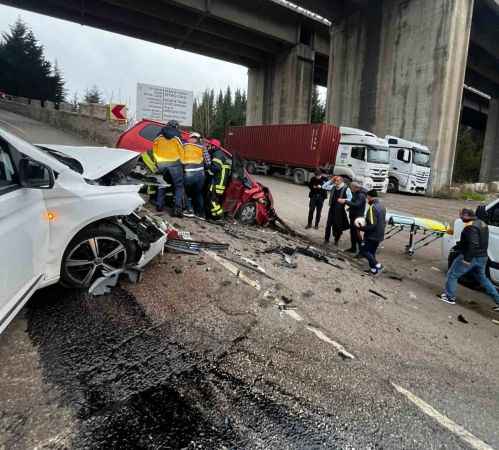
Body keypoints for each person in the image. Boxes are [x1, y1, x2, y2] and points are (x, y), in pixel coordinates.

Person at [440, 208, 499, 311]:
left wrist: (467, 259)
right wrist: (459, 246)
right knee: (483, 279)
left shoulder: (470, 227)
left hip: (471, 257)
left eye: (461, 215)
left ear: (467, 215)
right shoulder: (482, 223)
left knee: (452, 274)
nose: (460, 217)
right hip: (483, 257)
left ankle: (449, 297)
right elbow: (479, 241)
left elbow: (473, 243)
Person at [152, 120, 184, 217]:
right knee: (178, 186)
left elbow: (154, 151)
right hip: (174, 165)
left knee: (162, 184)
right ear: (176, 127)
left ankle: (159, 206)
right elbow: (181, 151)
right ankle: (177, 209)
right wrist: (182, 163)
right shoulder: (177, 137)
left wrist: (156, 162)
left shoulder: (158, 137)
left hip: (161, 164)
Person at [357, 190, 386, 275]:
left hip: (372, 235)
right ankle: (374, 270)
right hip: (380, 234)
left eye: (367, 197)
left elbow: (372, 224)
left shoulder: (372, 208)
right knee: (372, 252)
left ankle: (378, 265)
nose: (367, 199)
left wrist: (362, 228)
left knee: (364, 251)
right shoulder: (382, 206)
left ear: (369, 197)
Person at [182, 132, 208, 218]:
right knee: (198, 193)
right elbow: (208, 162)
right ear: (198, 139)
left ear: (190, 138)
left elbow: (180, 159)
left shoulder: (184, 146)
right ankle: (201, 214)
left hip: (189, 173)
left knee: (186, 192)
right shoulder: (202, 147)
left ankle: (190, 210)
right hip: (201, 174)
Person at [322, 175, 352, 245]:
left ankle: (336, 240)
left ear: (341, 181)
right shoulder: (333, 187)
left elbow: (350, 199)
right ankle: (326, 239)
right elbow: (324, 187)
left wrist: (343, 200)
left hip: (340, 210)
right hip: (332, 208)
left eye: (337, 181)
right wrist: (331, 180)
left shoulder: (346, 188)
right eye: (335, 181)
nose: (335, 182)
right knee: (328, 224)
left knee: (338, 226)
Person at [338, 182, 367, 254]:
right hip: (353, 216)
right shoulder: (356, 193)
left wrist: (345, 201)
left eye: (351, 188)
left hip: (358, 218)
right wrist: (350, 208)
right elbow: (354, 203)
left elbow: (357, 205)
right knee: (352, 233)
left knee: (357, 234)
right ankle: (353, 248)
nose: (350, 190)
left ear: (355, 188)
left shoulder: (361, 195)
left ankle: (362, 251)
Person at [207, 139, 231, 220]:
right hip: (219, 182)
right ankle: (213, 217)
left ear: (214, 147)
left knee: (212, 201)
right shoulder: (219, 153)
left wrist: (207, 168)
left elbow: (215, 168)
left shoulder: (217, 154)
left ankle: (219, 217)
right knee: (213, 200)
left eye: (209, 146)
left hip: (218, 183)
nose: (208, 148)